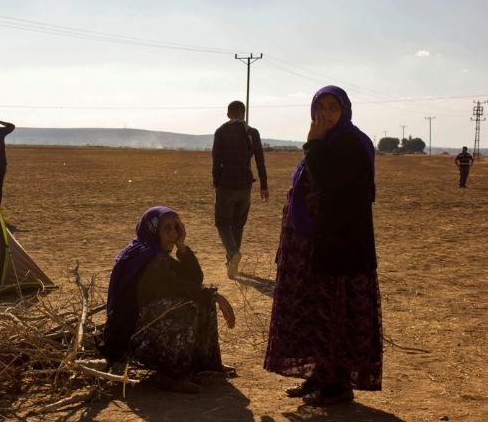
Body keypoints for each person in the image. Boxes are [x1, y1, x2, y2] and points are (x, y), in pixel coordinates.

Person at [263, 85, 383, 406]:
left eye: (333, 106)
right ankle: (321, 374)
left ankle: (338, 384)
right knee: (318, 310)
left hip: (340, 247)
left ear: (345, 109)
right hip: (318, 244)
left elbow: (329, 178)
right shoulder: (329, 141)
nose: (326, 113)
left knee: (337, 312)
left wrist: (312, 144)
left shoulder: (350, 142)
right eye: (321, 106)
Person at [97, 206, 236, 393]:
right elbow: (173, 286)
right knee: (185, 305)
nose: (173, 234)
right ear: (154, 230)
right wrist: (214, 295)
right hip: (133, 336)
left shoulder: (155, 252)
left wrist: (182, 246)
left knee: (202, 298)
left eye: (176, 228)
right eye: (167, 229)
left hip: (148, 326)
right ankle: (171, 375)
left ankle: (204, 365)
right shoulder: (144, 257)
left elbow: (194, 278)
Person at [212, 101, 269, 279]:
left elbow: (216, 159)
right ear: (243, 114)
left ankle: (232, 253)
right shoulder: (253, 132)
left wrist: (216, 180)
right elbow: (260, 160)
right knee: (238, 224)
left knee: (222, 223)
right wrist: (264, 185)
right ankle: (231, 264)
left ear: (228, 114)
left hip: (226, 185)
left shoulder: (221, 131)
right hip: (245, 186)